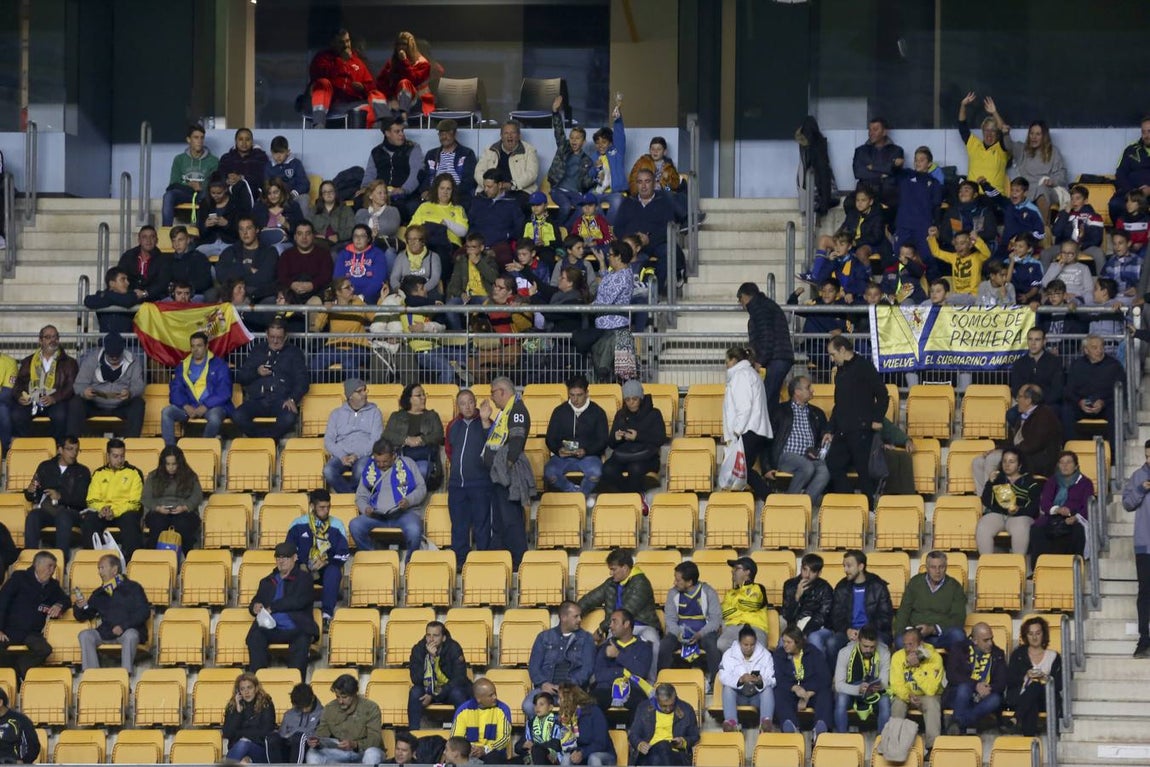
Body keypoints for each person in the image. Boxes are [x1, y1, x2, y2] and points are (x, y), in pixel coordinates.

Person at [824, 335, 889, 507]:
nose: (831, 359)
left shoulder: (864, 367)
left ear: (842, 350)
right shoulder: (840, 372)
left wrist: (876, 419)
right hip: (843, 429)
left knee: (863, 472)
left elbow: (882, 395)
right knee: (833, 463)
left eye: (832, 354)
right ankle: (851, 501)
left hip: (861, 430)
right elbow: (839, 405)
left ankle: (868, 508)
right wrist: (830, 429)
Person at [481, 377, 533, 570]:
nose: (491, 398)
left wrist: (506, 468)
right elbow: (496, 440)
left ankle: (520, 562)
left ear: (502, 391)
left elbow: (517, 442)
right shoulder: (505, 412)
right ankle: (499, 560)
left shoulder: (517, 410)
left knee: (511, 519)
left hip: (506, 475)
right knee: (501, 520)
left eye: (492, 393)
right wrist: (486, 421)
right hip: (497, 475)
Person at [246, 541, 318, 679]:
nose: (281, 561)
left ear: (294, 558)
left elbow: (299, 601)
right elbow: (257, 599)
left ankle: (296, 683)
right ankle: (257, 681)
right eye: (278, 557)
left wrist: (273, 607)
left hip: (296, 627)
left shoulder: (304, 579)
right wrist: (254, 607)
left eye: (285, 557)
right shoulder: (267, 581)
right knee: (254, 637)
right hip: (270, 627)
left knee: (302, 640)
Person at [351, 438, 427, 561]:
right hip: (377, 516)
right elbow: (360, 496)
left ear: (393, 456)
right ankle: (374, 558)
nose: (381, 465)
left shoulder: (408, 463)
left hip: (404, 513)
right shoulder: (369, 468)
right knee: (355, 525)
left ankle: (410, 563)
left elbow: (421, 488)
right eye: (378, 462)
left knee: (414, 530)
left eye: (385, 461)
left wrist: (408, 500)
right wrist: (366, 508)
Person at [577, 549, 660, 661]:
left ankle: (651, 679)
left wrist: (601, 630)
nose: (611, 573)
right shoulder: (611, 583)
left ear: (625, 568)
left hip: (643, 627)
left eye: (613, 569)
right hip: (616, 627)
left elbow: (625, 613)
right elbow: (590, 599)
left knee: (652, 640)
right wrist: (573, 613)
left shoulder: (641, 583)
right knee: (603, 651)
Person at [233, 320, 310, 440]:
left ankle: (265, 440)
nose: (275, 341)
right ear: (266, 335)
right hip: (258, 400)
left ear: (285, 337)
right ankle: (268, 439)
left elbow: (303, 381)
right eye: (272, 337)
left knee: (289, 418)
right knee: (237, 415)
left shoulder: (294, 353)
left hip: (282, 400)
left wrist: (293, 399)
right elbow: (242, 377)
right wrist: (256, 372)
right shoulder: (257, 350)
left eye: (279, 337)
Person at [0, 550, 69, 681]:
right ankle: (13, 670)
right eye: (50, 566)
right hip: (10, 630)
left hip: (32, 633)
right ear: (37, 565)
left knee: (44, 649)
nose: (52, 570)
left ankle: (18, 669)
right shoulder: (19, 578)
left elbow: (66, 600)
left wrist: (59, 605)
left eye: (54, 567)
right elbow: (2, 601)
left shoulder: (52, 585)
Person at [523, 601, 596, 720]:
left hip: (572, 690)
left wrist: (567, 687)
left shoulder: (586, 638)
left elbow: (587, 669)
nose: (579, 620)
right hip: (546, 689)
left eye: (580, 616)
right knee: (528, 706)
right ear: (563, 617)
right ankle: (539, 736)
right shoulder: (543, 637)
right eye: (576, 616)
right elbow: (534, 666)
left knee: (573, 709)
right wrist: (543, 683)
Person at [286, 489, 350, 625]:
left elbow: (344, 553)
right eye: (321, 507)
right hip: (303, 567)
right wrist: (302, 563)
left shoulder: (337, 525)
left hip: (325, 568)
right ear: (312, 506)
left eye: (328, 507)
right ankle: (300, 613)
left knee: (333, 572)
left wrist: (326, 561)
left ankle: (327, 615)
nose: (325, 511)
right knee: (297, 574)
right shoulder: (298, 524)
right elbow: (288, 550)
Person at [444, 388, 493, 564]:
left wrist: (486, 421)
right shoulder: (452, 425)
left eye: (471, 402)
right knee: (459, 527)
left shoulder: (486, 422)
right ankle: (460, 561)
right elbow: (449, 451)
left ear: (475, 402)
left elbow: (492, 446)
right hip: (457, 485)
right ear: (458, 406)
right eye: (463, 403)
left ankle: (483, 560)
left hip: (480, 484)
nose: (467, 407)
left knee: (482, 525)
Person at [66, 332, 145, 438]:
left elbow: (139, 385)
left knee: (138, 404)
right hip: (95, 404)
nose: (114, 358)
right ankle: (72, 443)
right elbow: (79, 384)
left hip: (121, 405)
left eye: (117, 355)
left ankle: (131, 443)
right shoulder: (92, 359)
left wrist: (130, 393)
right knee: (76, 402)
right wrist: (84, 392)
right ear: (105, 350)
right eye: (111, 355)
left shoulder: (133, 360)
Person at [161, 332, 233, 445]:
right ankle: (170, 450)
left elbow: (224, 391)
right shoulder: (183, 366)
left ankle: (203, 448)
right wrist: (185, 405)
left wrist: (206, 406)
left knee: (214, 418)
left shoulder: (219, 365)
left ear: (206, 346)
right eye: (193, 346)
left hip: (213, 407)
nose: (195, 349)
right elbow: (175, 389)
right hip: (190, 407)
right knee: (167, 412)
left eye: (199, 345)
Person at [543, 375, 608, 499]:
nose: (575, 399)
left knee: (596, 473)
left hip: (589, 456)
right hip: (563, 457)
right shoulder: (559, 411)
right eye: (572, 395)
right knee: (550, 473)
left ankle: (576, 497)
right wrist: (558, 450)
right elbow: (550, 438)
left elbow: (602, 440)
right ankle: (578, 495)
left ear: (587, 393)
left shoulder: (598, 412)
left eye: (579, 395)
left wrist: (586, 450)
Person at [24, 436, 90, 558]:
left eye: (76, 450)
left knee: (63, 516)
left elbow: (82, 500)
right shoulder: (45, 466)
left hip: (72, 512)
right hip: (49, 511)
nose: (74, 453)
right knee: (33, 516)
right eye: (70, 449)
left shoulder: (82, 471)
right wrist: (30, 491)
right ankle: (30, 558)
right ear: (60, 450)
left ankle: (61, 560)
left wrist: (60, 497)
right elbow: (33, 494)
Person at [767, 376, 830, 503]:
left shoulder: (817, 413)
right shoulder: (780, 411)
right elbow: (767, 440)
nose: (812, 390)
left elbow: (821, 437)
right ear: (797, 392)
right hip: (786, 456)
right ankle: (791, 503)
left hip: (809, 457)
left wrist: (819, 446)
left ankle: (804, 504)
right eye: (808, 388)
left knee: (825, 470)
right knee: (806, 466)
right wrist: (766, 467)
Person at [599, 379, 666, 499]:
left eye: (634, 399)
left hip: (647, 457)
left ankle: (630, 499)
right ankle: (630, 496)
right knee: (607, 469)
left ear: (640, 398)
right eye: (627, 400)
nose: (631, 403)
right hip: (623, 456)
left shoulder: (654, 414)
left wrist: (638, 436)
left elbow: (660, 438)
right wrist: (616, 437)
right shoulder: (621, 414)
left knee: (635, 469)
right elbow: (611, 443)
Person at [12, 325, 78, 444]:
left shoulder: (69, 362)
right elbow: (19, 383)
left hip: (55, 400)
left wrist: (54, 398)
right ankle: (27, 444)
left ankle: (54, 445)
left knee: (60, 416)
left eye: (55, 337)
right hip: (32, 399)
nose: (52, 340)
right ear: (40, 340)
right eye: (48, 337)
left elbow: (71, 387)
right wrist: (19, 396)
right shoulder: (29, 361)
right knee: (17, 415)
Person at [737, 282, 795, 418]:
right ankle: (772, 434)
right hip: (779, 358)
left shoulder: (759, 308)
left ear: (745, 296)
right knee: (770, 400)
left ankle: (766, 435)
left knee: (766, 401)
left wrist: (759, 361)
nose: (741, 304)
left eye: (740, 300)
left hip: (776, 359)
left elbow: (766, 336)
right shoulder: (766, 305)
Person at [658, 561, 723, 681]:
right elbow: (670, 619)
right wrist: (678, 634)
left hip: (704, 632)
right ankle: (662, 681)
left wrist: (700, 634)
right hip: (679, 633)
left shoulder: (708, 592)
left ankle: (716, 683)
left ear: (689, 582)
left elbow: (715, 620)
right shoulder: (673, 593)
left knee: (713, 647)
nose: (674, 583)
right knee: (663, 647)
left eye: (678, 580)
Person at [306, 29, 383, 128]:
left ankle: (375, 133)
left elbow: (371, 86)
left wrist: (363, 88)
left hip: (351, 103)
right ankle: (319, 125)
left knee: (374, 101)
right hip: (329, 103)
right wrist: (341, 61)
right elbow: (320, 75)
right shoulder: (322, 58)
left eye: (347, 41)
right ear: (332, 43)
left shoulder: (357, 61)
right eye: (341, 42)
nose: (346, 45)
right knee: (322, 83)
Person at [723, 345, 772, 500]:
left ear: (734, 360)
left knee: (740, 469)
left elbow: (744, 407)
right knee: (742, 469)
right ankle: (767, 497)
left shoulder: (741, 375)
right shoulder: (750, 374)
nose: (725, 364)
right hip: (756, 429)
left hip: (748, 430)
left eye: (727, 360)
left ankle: (769, 497)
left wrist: (736, 431)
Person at [614, 168, 677, 289]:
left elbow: (669, 227)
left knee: (669, 252)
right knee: (611, 252)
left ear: (654, 183)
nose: (643, 185)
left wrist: (649, 239)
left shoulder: (664, 202)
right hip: (631, 245)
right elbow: (618, 227)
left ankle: (655, 292)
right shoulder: (628, 202)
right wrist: (631, 240)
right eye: (640, 182)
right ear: (636, 184)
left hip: (655, 243)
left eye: (647, 181)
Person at [82, 438, 144, 561]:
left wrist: (114, 511)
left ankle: (129, 561)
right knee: (89, 520)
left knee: (131, 519)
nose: (119, 460)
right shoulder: (98, 473)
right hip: (103, 512)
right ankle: (92, 559)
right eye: (115, 456)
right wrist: (102, 509)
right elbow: (91, 499)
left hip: (124, 513)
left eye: (122, 456)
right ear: (108, 456)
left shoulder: (134, 473)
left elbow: (135, 503)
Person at [828, 550, 894, 665]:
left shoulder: (878, 586)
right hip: (849, 631)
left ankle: (876, 678)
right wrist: (846, 630)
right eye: (844, 566)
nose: (845, 570)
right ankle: (836, 678)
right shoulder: (841, 587)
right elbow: (836, 616)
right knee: (832, 643)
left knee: (881, 645)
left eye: (849, 566)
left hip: (874, 631)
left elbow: (885, 617)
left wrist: (865, 631)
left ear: (860, 566)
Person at [893, 551, 966, 650]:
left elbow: (958, 618)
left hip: (941, 635)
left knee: (958, 636)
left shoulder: (955, 587)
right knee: (899, 641)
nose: (937, 571)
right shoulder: (915, 582)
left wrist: (933, 629)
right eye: (933, 567)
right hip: (916, 633)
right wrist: (910, 633)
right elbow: (904, 611)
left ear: (946, 567)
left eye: (941, 567)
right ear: (927, 568)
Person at [305, 674, 384, 764]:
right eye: (338, 697)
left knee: (372, 754)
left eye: (344, 697)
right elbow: (322, 736)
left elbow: (375, 739)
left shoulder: (371, 708)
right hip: (339, 752)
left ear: (354, 694)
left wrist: (355, 744)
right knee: (312, 753)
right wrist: (317, 743)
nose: (340, 701)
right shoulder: (329, 708)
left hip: (363, 752)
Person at [1031, 450, 1094, 563]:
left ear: (1076, 466)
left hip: (1074, 517)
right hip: (1054, 516)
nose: (1065, 466)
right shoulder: (1052, 481)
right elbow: (1045, 503)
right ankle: (1039, 567)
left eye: (1069, 462)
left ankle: (1073, 567)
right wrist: (1058, 509)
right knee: (1037, 528)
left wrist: (1076, 517)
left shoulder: (1086, 483)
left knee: (1076, 530)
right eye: (1061, 462)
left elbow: (1087, 506)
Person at [944, 622, 1007, 734]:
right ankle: (963, 724)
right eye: (986, 640)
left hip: (984, 696)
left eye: (991, 639)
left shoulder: (998, 653)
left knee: (996, 700)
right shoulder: (959, 649)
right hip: (960, 695)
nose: (990, 643)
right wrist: (975, 685)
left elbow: (1002, 682)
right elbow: (952, 675)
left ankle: (958, 724)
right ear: (974, 641)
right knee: (964, 688)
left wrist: (989, 688)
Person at [977, 447, 1042, 556]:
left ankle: (1017, 567)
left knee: (1021, 528)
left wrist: (1019, 510)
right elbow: (986, 501)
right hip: (998, 514)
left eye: (1011, 461)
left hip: (1020, 516)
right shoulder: (997, 479)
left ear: (1019, 465)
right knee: (983, 525)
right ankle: (986, 565)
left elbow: (1034, 509)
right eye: (1004, 461)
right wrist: (990, 483)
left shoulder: (1030, 483)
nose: (1007, 465)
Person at [1004, 616, 1062, 736]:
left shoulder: (1054, 656)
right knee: (1032, 699)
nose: (1034, 637)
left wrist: (1045, 678)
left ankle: (1016, 719)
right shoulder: (1018, 655)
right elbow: (1009, 679)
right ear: (1026, 636)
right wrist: (1026, 676)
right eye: (1030, 634)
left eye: (1038, 633)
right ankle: (1029, 737)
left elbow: (1060, 684)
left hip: (1046, 699)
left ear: (1043, 634)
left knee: (1036, 686)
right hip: (1021, 696)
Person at [141, 445, 204, 555]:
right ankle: (153, 557)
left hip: (184, 512)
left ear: (180, 463)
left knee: (183, 524)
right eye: (168, 464)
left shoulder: (190, 476)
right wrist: (158, 508)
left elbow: (197, 496)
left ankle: (187, 556)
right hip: (159, 512)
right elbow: (146, 498)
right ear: (163, 464)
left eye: (174, 464)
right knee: (158, 524)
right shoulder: (153, 476)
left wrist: (185, 507)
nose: (171, 467)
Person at [323, 379, 383, 494]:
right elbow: (329, 440)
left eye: (365, 390)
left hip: (364, 455)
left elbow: (376, 439)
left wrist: (357, 455)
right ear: (350, 396)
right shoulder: (336, 414)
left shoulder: (375, 412)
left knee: (361, 470)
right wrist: (342, 456)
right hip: (341, 455)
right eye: (359, 391)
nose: (364, 394)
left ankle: (351, 497)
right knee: (328, 471)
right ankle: (353, 496)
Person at [1062, 335, 1124, 446]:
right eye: (1094, 348)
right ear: (1086, 350)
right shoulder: (1077, 365)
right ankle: (1071, 450)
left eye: (1101, 347)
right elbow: (1069, 391)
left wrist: (1103, 402)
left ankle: (1114, 454)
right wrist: (1079, 402)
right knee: (1066, 410)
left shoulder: (1114, 366)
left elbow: (1121, 391)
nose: (1099, 351)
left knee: (1115, 411)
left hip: (1105, 406)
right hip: (1081, 406)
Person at [409, 621, 472, 729]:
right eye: (428, 635)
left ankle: (461, 734)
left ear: (443, 638)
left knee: (458, 693)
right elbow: (416, 679)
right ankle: (413, 733)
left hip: (448, 690)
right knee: (415, 692)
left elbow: (459, 679)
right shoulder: (418, 650)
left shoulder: (454, 648)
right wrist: (430, 659)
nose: (431, 639)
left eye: (436, 635)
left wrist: (434, 694)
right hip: (427, 689)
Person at [1003, 117, 1067, 222]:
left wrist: (1052, 181)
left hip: (1048, 189)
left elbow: (1061, 174)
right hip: (1028, 189)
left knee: (1041, 190)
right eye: (1031, 133)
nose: (1034, 137)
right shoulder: (1022, 149)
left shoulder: (1053, 152)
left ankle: (1042, 230)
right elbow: (1009, 145)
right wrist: (1005, 134)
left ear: (1044, 136)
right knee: (1017, 192)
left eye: (1038, 134)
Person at [889, 627, 944, 750]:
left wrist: (917, 668)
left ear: (920, 644)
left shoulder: (934, 658)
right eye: (905, 645)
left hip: (926, 696)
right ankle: (894, 745)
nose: (907, 649)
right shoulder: (898, 657)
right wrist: (908, 696)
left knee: (932, 702)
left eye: (911, 645)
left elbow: (931, 690)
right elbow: (896, 684)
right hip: (908, 695)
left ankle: (932, 747)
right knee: (897, 703)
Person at [362, 118, 425, 223]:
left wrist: (404, 189)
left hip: (405, 195)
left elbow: (417, 173)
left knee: (406, 207)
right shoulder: (376, 151)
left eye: (402, 131)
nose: (402, 134)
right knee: (359, 202)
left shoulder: (413, 148)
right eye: (397, 131)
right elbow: (370, 173)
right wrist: (365, 188)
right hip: (380, 194)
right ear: (387, 133)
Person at [773, 626, 831, 738]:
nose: (785, 645)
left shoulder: (813, 653)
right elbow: (779, 678)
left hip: (811, 691)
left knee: (825, 693)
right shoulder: (779, 655)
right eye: (784, 641)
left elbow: (824, 677)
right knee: (778, 692)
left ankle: (820, 730)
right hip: (791, 692)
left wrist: (808, 694)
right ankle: (791, 727)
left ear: (798, 643)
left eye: (789, 642)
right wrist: (795, 688)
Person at [718, 624, 776, 733]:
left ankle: (766, 723)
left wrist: (760, 682)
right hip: (739, 697)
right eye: (746, 645)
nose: (749, 647)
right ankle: (731, 723)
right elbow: (723, 676)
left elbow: (772, 679)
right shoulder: (728, 655)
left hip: (757, 697)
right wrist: (740, 680)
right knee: (727, 689)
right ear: (739, 643)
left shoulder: (766, 655)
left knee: (768, 689)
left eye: (752, 645)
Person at [832, 625, 890, 734]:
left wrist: (878, 686)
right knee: (841, 699)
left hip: (874, 692)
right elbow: (839, 685)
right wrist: (857, 689)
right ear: (858, 641)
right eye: (865, 646)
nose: (868, 650)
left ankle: (882, 740)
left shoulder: (884, 652)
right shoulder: (844, 653)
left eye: (872, 647)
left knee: (885, 701)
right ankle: (841, 737)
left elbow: (885, 683)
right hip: (851, 690)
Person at [383, 382, 445, 484]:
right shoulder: (396, 416)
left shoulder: (432, 416)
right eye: (419, 395)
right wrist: (406, 440)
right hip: (401, 457)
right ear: (409, 399)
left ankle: (409, 497)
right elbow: (387, 435)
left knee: (422, 471)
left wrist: (421, 439)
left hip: (425, 457)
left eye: (424, 394)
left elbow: (438, 435)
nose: (423, 398)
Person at [547, 96, 596, 224]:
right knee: (566, 207)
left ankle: (567, 232)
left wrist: (596, 174)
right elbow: (559, 132)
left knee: (582, 209)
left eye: (578, 138)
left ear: (584, 141)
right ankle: (557, 229)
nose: (574, 140)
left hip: (576, 193)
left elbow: (586, 183)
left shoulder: (587, 161)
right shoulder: (564, 149)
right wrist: (555, 112)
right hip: (559, 190)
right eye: (572, 137)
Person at [1123, 439, 1150, 659]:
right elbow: (1127, 504)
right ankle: (1144, 638)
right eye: (1148, 456)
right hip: (1145, 545)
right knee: (1145, 592)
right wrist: (1141, 489)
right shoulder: (1137, 477)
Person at [629, 683, 699, 767]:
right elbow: (633, 735)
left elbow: (695, 735)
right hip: (648, 753)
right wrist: (640, 744)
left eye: (671, 705)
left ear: (675, 697)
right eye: (664, 706)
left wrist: (683, 742)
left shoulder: (686, 709)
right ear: (656, 699)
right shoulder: (643, 708)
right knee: (660, 749)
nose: (668, 709)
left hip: (676, 754)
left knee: (663, 747)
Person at [162, 124, 218, 226]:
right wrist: (189, 185)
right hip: (184, 193)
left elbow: (215, 183)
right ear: (188, 139)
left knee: (207, 195)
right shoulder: (179, 159)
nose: (199, 141)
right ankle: (166, 231)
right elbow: (174, 182)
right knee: (168, 196)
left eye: (202, 138)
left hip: (203, 194)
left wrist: (201, 187)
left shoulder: (213, 161)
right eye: (196, 137)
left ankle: (201, 230)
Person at [779, 553, 834, 656]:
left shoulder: (825, 588)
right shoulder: (790, 585)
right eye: (805, 569)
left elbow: (821, 617)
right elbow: (787, 615)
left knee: (814, 639)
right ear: (801, 568)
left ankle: (819, 671)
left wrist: (803, 634)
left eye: (812, 571)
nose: (807, 575)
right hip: (795, 626)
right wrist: (796, 597)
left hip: (819, 627)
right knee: (782, 643)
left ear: (819, 573)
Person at [450, 677, 514, 765]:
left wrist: (486, 749)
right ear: (478, 699)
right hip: (469, 753)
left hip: (492, 753)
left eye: (495, 693)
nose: (495, 697)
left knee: (494, 758)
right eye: (491, 695)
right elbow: (456, 739)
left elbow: (504, 738)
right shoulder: (463, 711)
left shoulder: (503, 709)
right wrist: (470, 750)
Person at [469, 170, 526, 265]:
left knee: (504, 259)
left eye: (489, 186)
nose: (486, 189)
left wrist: (506, 235)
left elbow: (519, 228)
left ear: (500, 185)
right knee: (458, 257)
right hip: (477, 244)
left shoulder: (512, 203)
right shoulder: (478, 201)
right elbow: (470, 223)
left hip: (500, 244)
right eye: (484, 186)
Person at [215, 217, 280, 301]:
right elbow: (221, 275)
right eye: (241, 229)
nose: (245, 233)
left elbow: (266, 278)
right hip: (232, 291)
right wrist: (248, 269)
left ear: (257, 230)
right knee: (212, 295)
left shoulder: (269, 252)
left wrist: (239, 279)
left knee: (270, 300)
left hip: (259, 292)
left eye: (249, 228)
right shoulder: (230, 251)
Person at [551, 684, 615, 767]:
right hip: (579, 754)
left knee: (594, 758)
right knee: (566, 758)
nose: (558, 702)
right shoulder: (566, 716)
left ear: (570, 699)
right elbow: (565, 742)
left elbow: (601, 743)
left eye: (560, 698)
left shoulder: (594, 712)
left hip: (603, 754)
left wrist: (583, 753)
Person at [958, 93, 1009, 195]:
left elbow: (1004, 130)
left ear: (997, 133)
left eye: (993, 130)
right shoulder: (974, 144)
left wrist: (994, 112)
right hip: (973, 196)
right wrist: (963, 105)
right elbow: (962, 125)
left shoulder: (1002, 147)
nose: (989, 134)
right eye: (986, 130)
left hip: (994, 198)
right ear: (982, 131)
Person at [475, 119, 540, 198]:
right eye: (506, 133)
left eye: (513, 133)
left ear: (519, 136)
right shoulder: (490, 150)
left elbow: (531, 174)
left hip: (518, 191)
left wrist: (512, 185)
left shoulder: (529, 150)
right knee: (479, 202)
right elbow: (478, 172)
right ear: (501, 136)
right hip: (492, 190)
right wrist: (491, 186)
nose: (509, 136)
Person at [222, 672, 277, 763]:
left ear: (256, 688)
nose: (246, 692)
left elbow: (266, 731)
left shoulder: (266, 704)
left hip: (259, 750)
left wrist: (242, 736)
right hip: (238, 750)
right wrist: (238, 712)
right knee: (244, 761)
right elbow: (227, 733)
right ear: (238, 692)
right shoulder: (232, 706)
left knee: (244, 743)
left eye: (249, 687)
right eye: (242, 689)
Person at [419, 121, 478, 204]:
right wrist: (424, 190)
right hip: (434, 195)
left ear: (455, 134)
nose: (444, 137)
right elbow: (425, 177)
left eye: (447, 133)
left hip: (458, 195)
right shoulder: (431, 154)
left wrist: (450, 193)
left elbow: (469, 180)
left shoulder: (467, 153)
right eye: (441, 134)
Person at [851, 117, 904, 210]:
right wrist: (882, 173)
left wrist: (873, 167)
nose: (871, 133)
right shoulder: (860, 151)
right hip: (866, 192)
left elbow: (893, 171)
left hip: (888, 195)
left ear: (884, 132)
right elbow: (858, 172)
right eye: (870, 130)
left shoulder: (896, 150)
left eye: (875, 130)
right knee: (849, 203)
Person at [719, 556, 771, 651]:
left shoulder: (758, 588)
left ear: (747, 572)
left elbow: (753, 604)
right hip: (734, 626)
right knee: (721, 644)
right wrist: (741, 606)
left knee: (758, 648)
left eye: (737, 568)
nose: (732, 571)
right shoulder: (730, 593)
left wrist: (735, 605)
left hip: (756, 626)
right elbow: (723, 613)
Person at [277, 221, 332, 305]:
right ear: (295, 237)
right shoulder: (286, 255)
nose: (304, 237)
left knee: (315, 302)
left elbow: (326, 277)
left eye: (308, 234)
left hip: (316, 292)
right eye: (300, 234)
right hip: (292, 293)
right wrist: (292, 284)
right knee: (282, 300)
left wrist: (312, 285)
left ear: (313, 236)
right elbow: (282, 276)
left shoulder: (324, 254)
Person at [267, 683, 323, 764]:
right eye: (301, 707)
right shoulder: (289, 714)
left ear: (312, 698)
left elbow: (320, 737)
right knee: (272, 738)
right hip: (288, 748)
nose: (304, 710)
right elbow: (282, 735)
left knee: (298, 737)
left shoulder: (322, 713)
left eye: (306, 706)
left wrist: (294, 733)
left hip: (309, 749)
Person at [1109, 116, 1150, 227]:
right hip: (1131, 193)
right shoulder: (1131, 150)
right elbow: (1120, 173)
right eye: (1143, 132)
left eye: (1149, 131)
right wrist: (1134, 193)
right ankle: (1122, 235)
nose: (1146, 136)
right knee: (1115, 204)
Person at [117, 225, 174, 304]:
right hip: (129, 298)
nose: (148, 240)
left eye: (152, 237)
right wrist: (132, 294)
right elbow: (119, 278)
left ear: (156, 240)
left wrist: (145, 293)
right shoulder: (128, 256)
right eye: (144, 237)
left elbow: (162, 284)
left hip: (154, 300)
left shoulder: (163, 260)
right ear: (139, 240)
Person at [195, 178, 250, 259]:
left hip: (230, 242)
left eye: (219, 193)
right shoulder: (205, 203)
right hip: (209, 242)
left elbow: (241, 230)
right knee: (196, 256)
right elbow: (200, 229)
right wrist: (205, 225)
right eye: (213, 193)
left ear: (225, 190)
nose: (216, 196)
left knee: (234, 257)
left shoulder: (235, 203)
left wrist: (227, 224)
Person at [84, 267, 139, 335]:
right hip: (106, 344)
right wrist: (115, 298)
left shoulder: (131, 295)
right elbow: (88, 301)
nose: (127, 283)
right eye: (123, 279)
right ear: (112, 283)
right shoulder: (100, 295)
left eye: (127, 279)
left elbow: (128, 301)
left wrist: (108, 297)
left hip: (128, 343)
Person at [253, 178, 304, 250]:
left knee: (277, 248)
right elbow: (252, 228)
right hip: (263, 244)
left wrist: (287, 225)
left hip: (286, 244)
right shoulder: (259, 207)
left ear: (282, 191)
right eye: (269, 193)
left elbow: (302, 230)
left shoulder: (293, 206)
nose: (273, 196)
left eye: (275, 192)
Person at [391, 225, 443, 295]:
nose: (412, 242)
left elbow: (435, 278)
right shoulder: (401, 257)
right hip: (405, 292)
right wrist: (401, 290)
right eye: (410, 239)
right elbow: (394, 278)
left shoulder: (433, 257)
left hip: (426, 291)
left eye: (415, 239)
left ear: (423, 241)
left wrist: (422, 290)